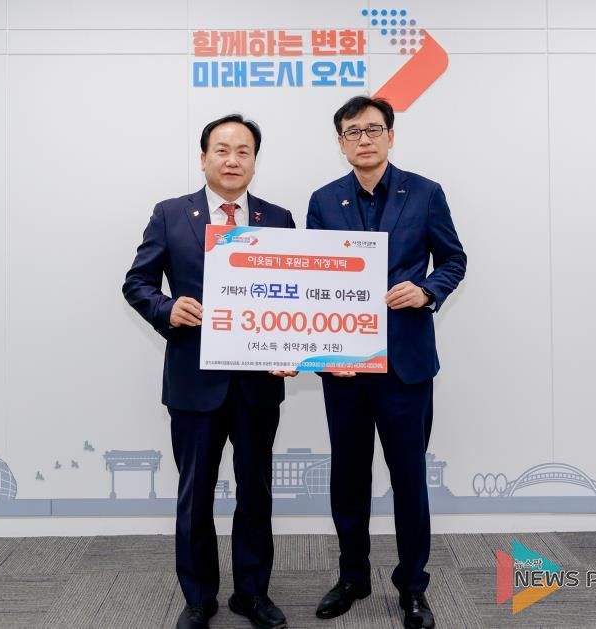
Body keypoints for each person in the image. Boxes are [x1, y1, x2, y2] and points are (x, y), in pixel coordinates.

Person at [123, 114, 296, 629]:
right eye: (222, 150)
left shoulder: (278, 219)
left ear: (255, 161)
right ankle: (198, 597)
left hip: (258, 382)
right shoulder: (171, 214)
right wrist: (167, 308)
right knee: (195, 495)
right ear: (203, 158)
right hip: (194, 382)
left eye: (243, 151)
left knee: (256, 492)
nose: (232, 160)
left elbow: (294, 296)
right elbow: (137, 283)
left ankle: (252, 593)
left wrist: (296, 346)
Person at [306, 96, 466, 629]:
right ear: (341, 142)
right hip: (345, 365)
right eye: (353, 132)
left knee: (409, 479)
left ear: (391, 136)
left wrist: (427, 290)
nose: (364, 139)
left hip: (405, 364)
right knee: (348, 477)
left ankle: (413, 587)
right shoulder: (323, 201)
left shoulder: (425, 192)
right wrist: (320, 349)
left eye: (373, 129)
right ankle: (352, 576)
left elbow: (454, 259)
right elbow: (314, 280)